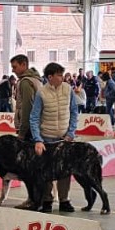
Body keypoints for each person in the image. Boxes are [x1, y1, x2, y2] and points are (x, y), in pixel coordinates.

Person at [29, 62, 79, 213]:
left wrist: (71, 133)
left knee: (65, 171)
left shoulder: (68, 89)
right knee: (46, 173)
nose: (62, 77)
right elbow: (34, 117)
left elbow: (74, 112)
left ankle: (64, 200)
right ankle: (47, 200)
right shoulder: (41, 93)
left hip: (65, 139)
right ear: (50, 77)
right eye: (58, 75)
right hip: (47, 139)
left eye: (62, 74)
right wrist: (38, 139)